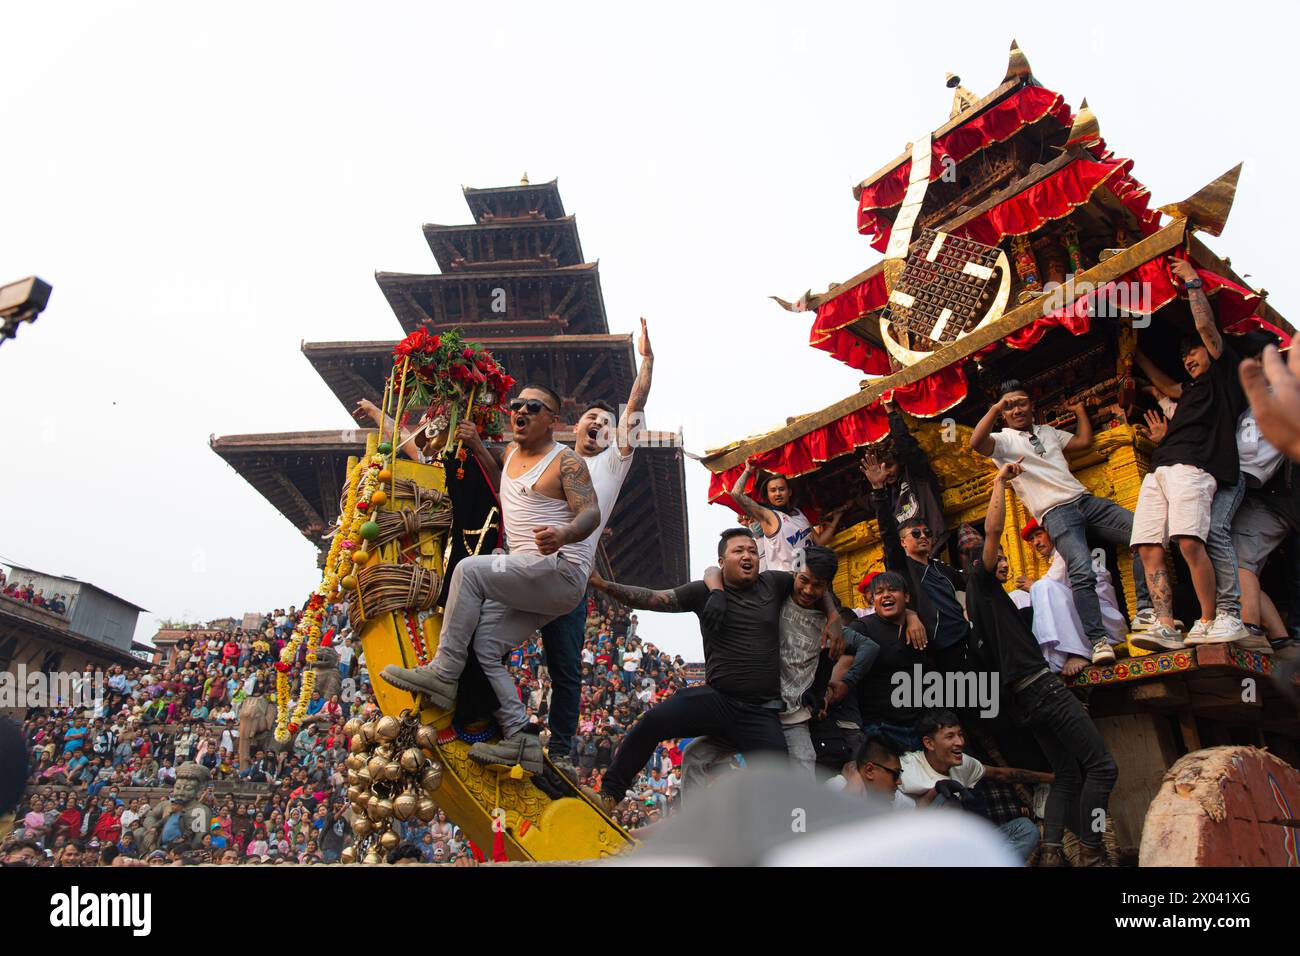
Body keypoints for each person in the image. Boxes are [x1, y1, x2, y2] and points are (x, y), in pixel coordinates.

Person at [381, 383, 602, 775]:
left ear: (553, 420)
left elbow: (590, 513)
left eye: (533, 407)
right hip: (529, 576)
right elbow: (504, 481)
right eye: (517, 405)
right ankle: (521, 735)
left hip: (559, 569)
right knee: (485, 645)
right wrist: (477, 444)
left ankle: (444, 673)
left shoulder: (567, 461)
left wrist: (564, 534)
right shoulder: (513, 454)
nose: (521, 411)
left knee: (468, 570)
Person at [589, 529, 838, 809]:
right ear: (722, 561)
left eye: (752, 551)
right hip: (718, 701)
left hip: (761, 712)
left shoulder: (773, 583)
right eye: (738, 551)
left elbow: (814, 581)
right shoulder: (702, 592)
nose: (747, 556)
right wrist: (605, 585)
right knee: (652, 722)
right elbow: (652, 598)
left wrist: (834, 615)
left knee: (778, 783)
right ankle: (610, 794)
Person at [963, 460, 1117, 866]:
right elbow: (994, 530)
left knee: (1067, 773)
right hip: (1042, 687)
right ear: (977, 563)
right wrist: (999, 482)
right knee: (1102, 767)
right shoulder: (982, 584)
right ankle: (1091, 846)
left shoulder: (983, 612)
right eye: (990, 557)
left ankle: (1051, 850)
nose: (1001, 561)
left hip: (1024, 700)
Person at [536, 319, 654, 778]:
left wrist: (647, 361)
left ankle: (560, 751)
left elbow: (637, 403)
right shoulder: (550, 461)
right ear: (576, 425)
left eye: (608, 422)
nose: (600, 424)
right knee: (490, 636)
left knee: (566, 668)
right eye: (592, 418)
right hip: (531, 562)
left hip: (570, 576)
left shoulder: (613, 461)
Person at [970, 379, 1154, 663]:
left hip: (1085, 499)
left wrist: (1079, 410)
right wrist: (995, 407)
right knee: (1081, 571)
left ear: (1032, 405)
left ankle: (1144, 611)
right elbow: (976, 442)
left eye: (1021, 402)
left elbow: (1083, 442)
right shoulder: (1004, 441)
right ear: (1003, 414)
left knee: (1144, 534)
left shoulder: (1048, 432)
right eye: (1009, 406)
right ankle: (1098, 641)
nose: (1016, 409)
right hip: (1056, 512)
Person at [1129, 258, 1249, 650]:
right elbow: (1167, 385)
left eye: (1193, 353)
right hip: (1160, 469)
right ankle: (1166, 623)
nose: (1189, 359)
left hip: (1195, 467)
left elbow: (1206, 328)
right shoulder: (1190, 390)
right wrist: (1137, 358)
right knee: (1148, 546)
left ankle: (1213, 618)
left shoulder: (1222, 373)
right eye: (1184, 357)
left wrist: (1193, 283)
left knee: (1188, 542)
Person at [863, 450, 968, 673]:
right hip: (939, 649)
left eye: (927, 533)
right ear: (903, 543)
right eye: (916, 534)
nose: (924, 537)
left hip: (967, 639)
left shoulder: (942, 568)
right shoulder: (901, 568)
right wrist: (879, 492)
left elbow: (968, 585)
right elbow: (887, 533)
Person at [900, 709, 1049, 863]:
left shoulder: (962, 763)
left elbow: (999, 774)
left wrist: (1052, 778)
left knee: (1025, 829)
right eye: (950, 736)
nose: (960, 742)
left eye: (960, 734)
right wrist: (935, 790)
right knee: (946, 798)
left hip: (960, 846)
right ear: (929, 743)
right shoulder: (906, 769)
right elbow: (898, 826)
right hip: (925, 852)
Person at [1022, 518, 1127, 675]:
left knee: (1042, 587)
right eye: (1032, 539)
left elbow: (1048, 586)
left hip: (1102, 624)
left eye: (1038, 535)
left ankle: (1077, 653)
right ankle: (1055, 659)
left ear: (1052, 532)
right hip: (1091, 621)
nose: (1036, 542)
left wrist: (1031, 585)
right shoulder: (1058, 555)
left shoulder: (1066, 550)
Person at [729, 461, 848, 572]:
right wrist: (748, 470)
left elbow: (819, 542)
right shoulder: (769, 516)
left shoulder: (799, 514)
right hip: (784, 582)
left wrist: (836, 518)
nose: (778, 493)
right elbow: (736, 493)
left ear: (789, 492)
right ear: (768, 495)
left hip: (806, 577)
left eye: (781, 489)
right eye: (773, 490)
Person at [825, 735, 915, 810]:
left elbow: (915, 810)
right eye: (896, 774)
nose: (899, 782)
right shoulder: (835, 788)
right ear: (869, 770)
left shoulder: (891, 796)